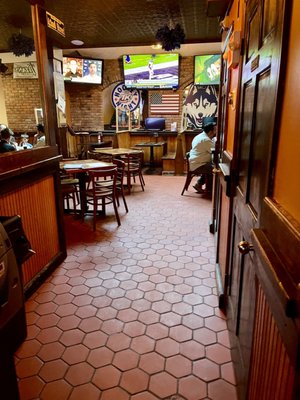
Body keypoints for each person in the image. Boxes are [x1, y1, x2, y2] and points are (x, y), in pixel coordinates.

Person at [189, 118, 217, 194]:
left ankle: (198, 184)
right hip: (198, 164)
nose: (216, 132)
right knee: (215, 170)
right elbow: (215, 151)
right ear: (211, 132)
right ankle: (210, 190)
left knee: (211, 167)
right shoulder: (205, 140)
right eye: (215, 130)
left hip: (196, 162)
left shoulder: (200, 136)